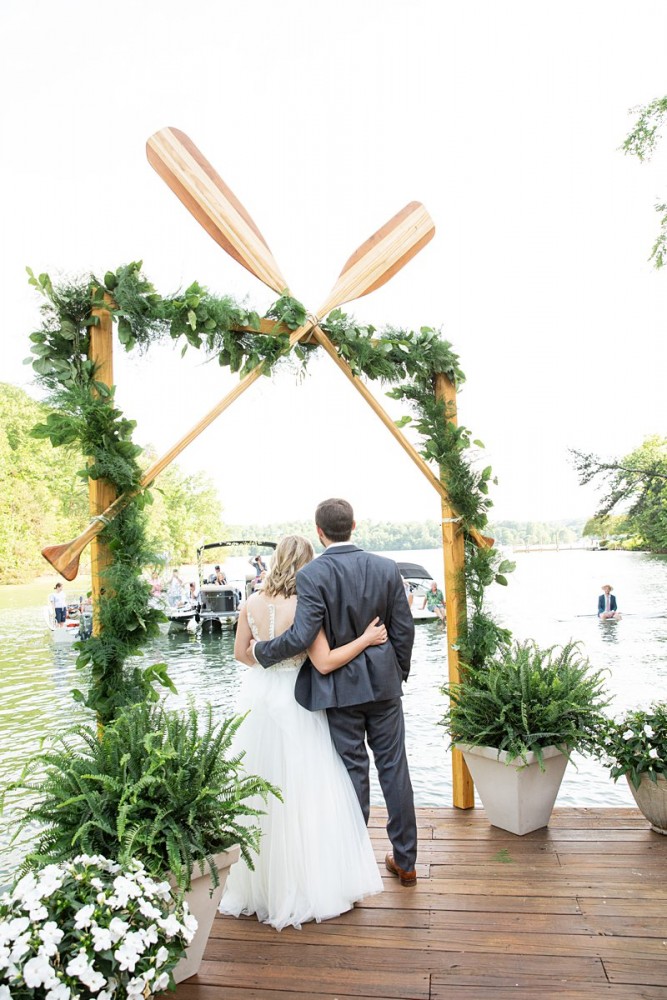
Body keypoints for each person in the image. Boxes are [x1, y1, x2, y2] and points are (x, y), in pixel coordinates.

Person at [219, 534, 384, 930]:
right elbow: (324, 662)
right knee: (307, 789)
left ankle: (260, 886)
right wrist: (365, 639)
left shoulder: (250, 603)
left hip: (259, 699)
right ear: (306, 564)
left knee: (258, 787)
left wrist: (268, 664)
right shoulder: (304, 604)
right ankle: (308, 883)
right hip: (297, 700)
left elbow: (241, 654)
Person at [251, 498, 418, 889]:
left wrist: (262, 652)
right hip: (384, 688)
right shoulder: (386, 567)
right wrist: (397, 672)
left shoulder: (312, 575)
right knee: (394, 769)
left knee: (352, 774)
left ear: (319, 531)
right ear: (354, 525)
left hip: (340, 690)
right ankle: (406, 862)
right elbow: (404, 629)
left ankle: (353, 867)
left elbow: (302, 635)